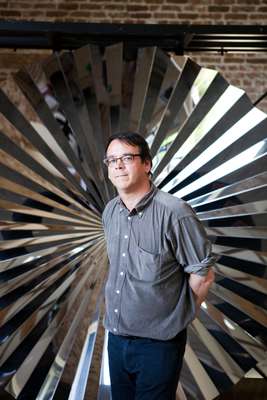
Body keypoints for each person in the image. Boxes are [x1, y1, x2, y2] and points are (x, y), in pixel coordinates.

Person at [102, 131, 215, 400]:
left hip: (158, 345)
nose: (118, 165)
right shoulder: (110, 211)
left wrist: (176, 319)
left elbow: (203, 274)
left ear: (147, 164)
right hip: (116, 339)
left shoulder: (175, 212)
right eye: (111, 160)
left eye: (127, 157)